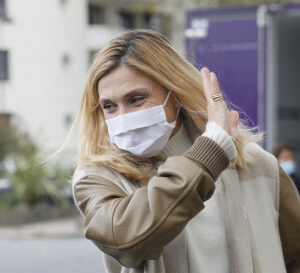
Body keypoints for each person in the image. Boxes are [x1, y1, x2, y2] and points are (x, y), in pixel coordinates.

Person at [60, 29, 299, 272]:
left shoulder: (258, 165)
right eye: (109, 106)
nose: (123, 117)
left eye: (136, 99)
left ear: (175, 94)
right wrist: (211, 153)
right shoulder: (96, 177)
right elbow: (126, 240)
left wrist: (215, 150)